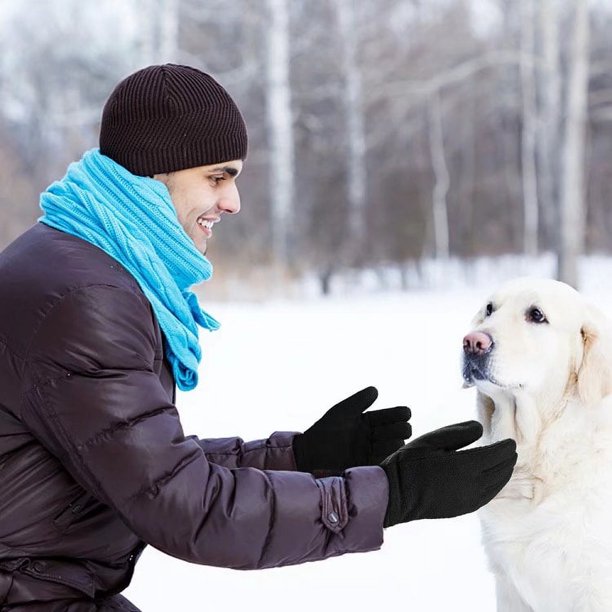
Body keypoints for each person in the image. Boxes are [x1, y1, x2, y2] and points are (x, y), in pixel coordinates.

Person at [0, 64, 517, 611]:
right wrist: (392, 497)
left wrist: (302, 456)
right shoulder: (85, 298)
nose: (233, 202)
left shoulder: (77, 259)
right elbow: (184, 505)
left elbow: (148, 467)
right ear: (156, 171)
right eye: (216, 177)